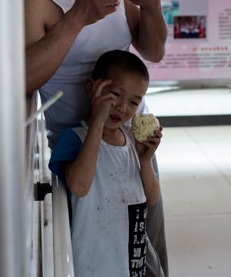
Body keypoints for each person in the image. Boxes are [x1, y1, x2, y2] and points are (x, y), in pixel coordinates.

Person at [24, 0, 169, 275]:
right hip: (79, 154)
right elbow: (22, 79)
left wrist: (151, 4)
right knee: (93, 256)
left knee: (142, 247)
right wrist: (77, 17)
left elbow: (153, 51)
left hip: (130, 144)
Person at [49, 50, 163, 277]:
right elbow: (80, 187)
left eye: (133, 102)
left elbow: (152, 198)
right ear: (92, 88)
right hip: (93, 266)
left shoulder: (132, 140)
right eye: (114, 95)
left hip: (130, 263)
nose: (122, 107)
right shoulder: (75, 138)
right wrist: (98, 123)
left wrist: (145, 160)